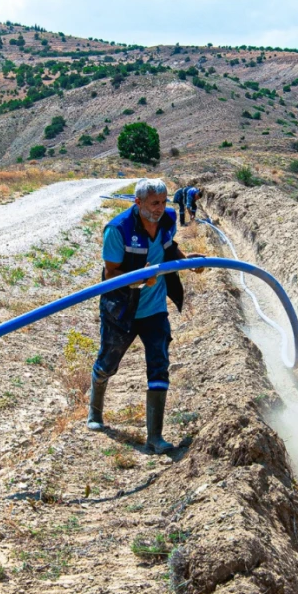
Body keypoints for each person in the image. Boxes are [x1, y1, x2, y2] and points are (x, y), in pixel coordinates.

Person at [87, 179, 205, 453]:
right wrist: (140, 280)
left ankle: (155, 437)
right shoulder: (118, 229)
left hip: (154, 310)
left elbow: (168, 247)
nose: (161, 208)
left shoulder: (167, 219)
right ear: (137, 203)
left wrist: (187, 260)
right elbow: (111, 274)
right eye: (154, 203)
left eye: (163, 202)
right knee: (108, 362)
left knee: (159, 363)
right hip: (122, 309)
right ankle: (95, 413)